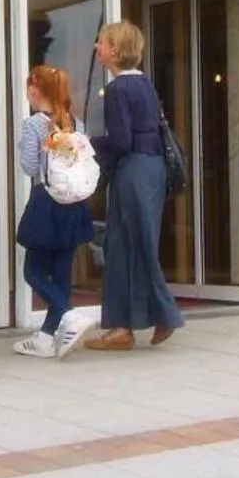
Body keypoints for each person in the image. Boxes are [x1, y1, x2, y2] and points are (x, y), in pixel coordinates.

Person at [84, 21, 184, 350]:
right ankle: (124, 326)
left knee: (127, 244)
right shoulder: (144, 84)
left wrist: (85, 143)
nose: (97, 47)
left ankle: (156, 317)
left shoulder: (117, 90)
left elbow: (122, 141)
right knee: (131, 244)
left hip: (134, 171)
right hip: (150, 170)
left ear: (115, 50)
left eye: (101, 42)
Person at [12, 66, 96, 359]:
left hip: (46, 203)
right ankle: (47, 338)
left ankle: (69, 316)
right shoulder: (77, 123)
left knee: (32, 270)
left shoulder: (34, 124)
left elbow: (30, 168)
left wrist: (27, 145)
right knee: (61, 270)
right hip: (74, 203)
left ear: (34, 91)